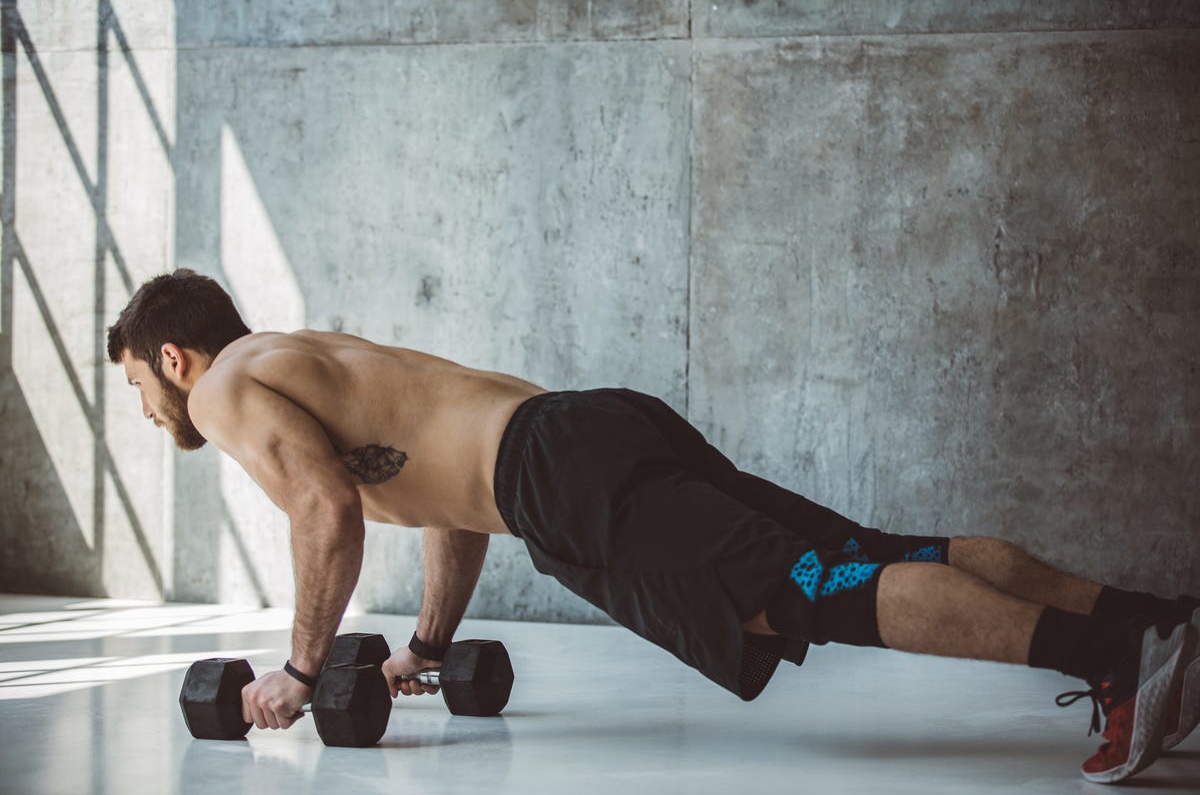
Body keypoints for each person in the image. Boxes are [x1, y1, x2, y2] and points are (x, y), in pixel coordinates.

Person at [106, 269, 1198, 783]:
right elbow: (453, 499)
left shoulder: (221, 388)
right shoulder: (315, 357)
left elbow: (324, 507)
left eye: (141, 390)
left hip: (554, 473)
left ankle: (1117, 657)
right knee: (876, 551)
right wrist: (428, 648)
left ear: (171, 356)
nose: (155, 416)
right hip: (575, 428)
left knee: (813, 587)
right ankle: (1160, 623)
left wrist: (300, 666)